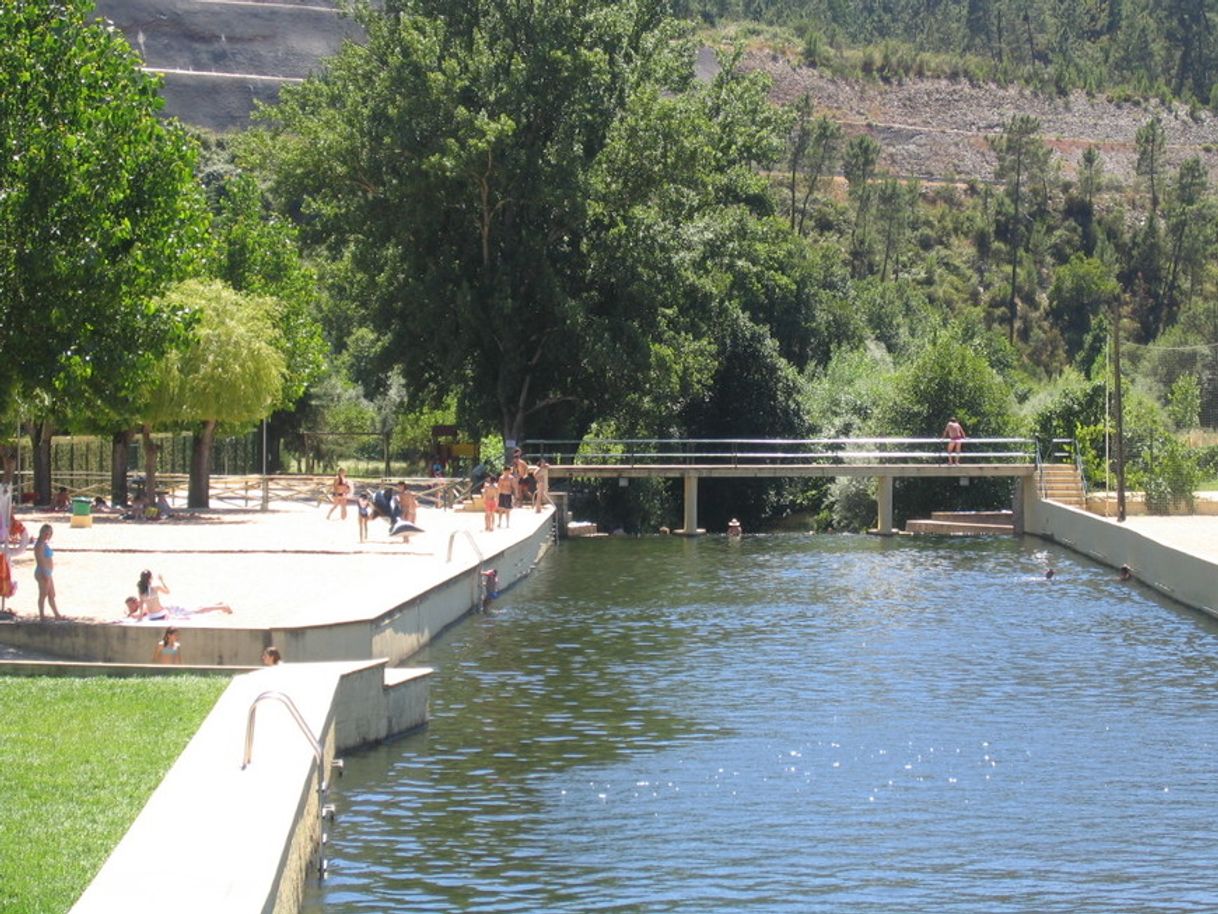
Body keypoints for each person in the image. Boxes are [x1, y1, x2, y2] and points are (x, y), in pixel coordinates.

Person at [33, 523, 63, 621]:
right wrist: (45, 573)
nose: (47, 535)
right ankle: (42, 615)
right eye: (45, 533)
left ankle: (57, 615)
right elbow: (40, 560)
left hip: (48, 572)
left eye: (49, 533)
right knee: (43, 595)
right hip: (42, 571)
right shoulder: (39, 545)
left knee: (52, 594)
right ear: (41, 533)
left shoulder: (44, 543)